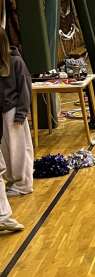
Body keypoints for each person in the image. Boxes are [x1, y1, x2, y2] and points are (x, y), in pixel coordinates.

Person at [0, 26, 33, 197]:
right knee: (7, 152)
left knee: (19, 150)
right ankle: (13, 181)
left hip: (13, 113)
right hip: (2, 113)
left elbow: (25, 89)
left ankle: (24, 184)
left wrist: (21, 113)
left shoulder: (16, 61)